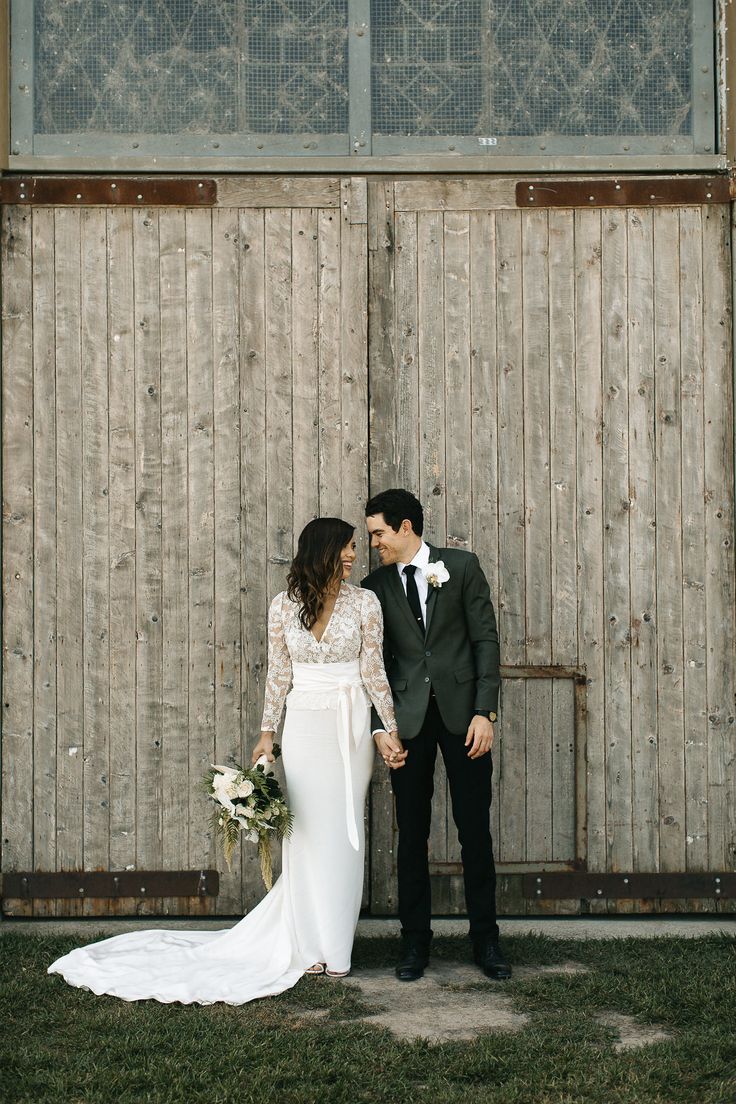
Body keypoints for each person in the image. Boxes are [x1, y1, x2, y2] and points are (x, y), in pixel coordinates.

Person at [48, 518, 398, 1004]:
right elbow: (279, 675)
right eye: (346, 547)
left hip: (350, 729)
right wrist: (266, 735)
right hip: (303, 727)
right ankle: (307, 943)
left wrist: (388, 730)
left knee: (343, 835)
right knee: (305, 836)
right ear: (323, 550)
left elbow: (373, 669)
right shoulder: (284, 606)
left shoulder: (366, 603)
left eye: (357, 547)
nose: (353, 555)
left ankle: (336, 947)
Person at [362, 488, 510, 982]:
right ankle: (414, 944)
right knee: (412, 836)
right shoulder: (374, 585)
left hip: (464, 718)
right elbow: (373, 663)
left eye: (379, 533)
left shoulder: (462, 567)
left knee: (474, 832)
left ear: (406, 527)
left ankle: (485, 941)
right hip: (408, 725)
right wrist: (381, 727)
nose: (374, 543)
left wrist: (485, 711)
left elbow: (485, 640)